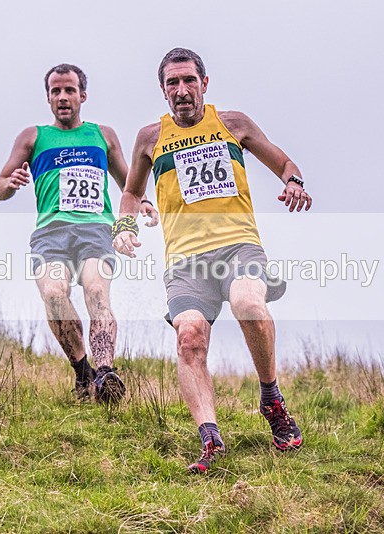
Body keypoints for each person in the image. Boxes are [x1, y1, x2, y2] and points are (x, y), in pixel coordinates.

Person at [113, 48, 312, 472]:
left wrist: (293, 181)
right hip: (185, 261)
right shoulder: (150, 138)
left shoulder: (233, 124)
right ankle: (211, 440)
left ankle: (271, 399)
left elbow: (284, 161)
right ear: (163, 90)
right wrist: (123, 226)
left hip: (238, 245)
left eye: (189, 81)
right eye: (172, 83)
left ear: (205, 83)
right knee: (189, 337)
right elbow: (131, 193)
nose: (181, 91)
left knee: (248, 303)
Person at [0, 63, 159, 403]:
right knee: (54, 293)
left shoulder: (103, 135)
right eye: (56, 91)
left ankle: (105, 373)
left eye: (69, 90)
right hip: (50, 233)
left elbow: (128, 181)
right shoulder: (33, 137)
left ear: (82, 95)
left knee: (97, 290)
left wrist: (142, 202)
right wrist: (10, 184)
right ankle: (82, 372)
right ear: (48, 98)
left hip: (95, 229)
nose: (63, 97)